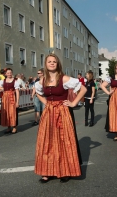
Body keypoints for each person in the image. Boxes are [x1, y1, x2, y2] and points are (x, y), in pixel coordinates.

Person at [34, 54, 86, 183]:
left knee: (64, 140)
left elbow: (83, 89)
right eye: (49, 61)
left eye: (54, 62)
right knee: (47, 141)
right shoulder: (42, 80)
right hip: (48, 113)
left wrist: (73, 103)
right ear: (46, 64)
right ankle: (46, 171)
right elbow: (38, 92)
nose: (52, 63)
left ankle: (65, 170)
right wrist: (46, 103)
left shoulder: (64, 79)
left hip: (63, 112)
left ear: (58, 64)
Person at [0, 68, 20, 134]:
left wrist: (17, 102)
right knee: (6, 112)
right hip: (5, 98)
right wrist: (3, 88)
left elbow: (17, 92)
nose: (9, 74)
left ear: (12, 73)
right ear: (5, 74)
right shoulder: (3, 81)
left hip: (12, 97)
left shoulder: (15, 81)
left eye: (10, 72)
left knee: (12, 112)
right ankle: (8, 127)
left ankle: (14, 127)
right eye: (8, 73)